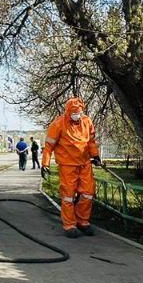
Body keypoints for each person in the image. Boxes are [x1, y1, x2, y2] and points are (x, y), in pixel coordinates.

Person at [41, 97, 102, 237]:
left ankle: (82, 221)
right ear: (68, 112)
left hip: (85, 163)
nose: (77, 115)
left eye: (79, 112)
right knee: (68, 196)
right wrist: (45, 164)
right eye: (74, 113)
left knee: (88, 193)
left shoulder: (86, 121)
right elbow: (49, 146)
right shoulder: (58, 124)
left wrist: (95, 155)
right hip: (68, 166)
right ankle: (69, 225)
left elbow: (91, 141)